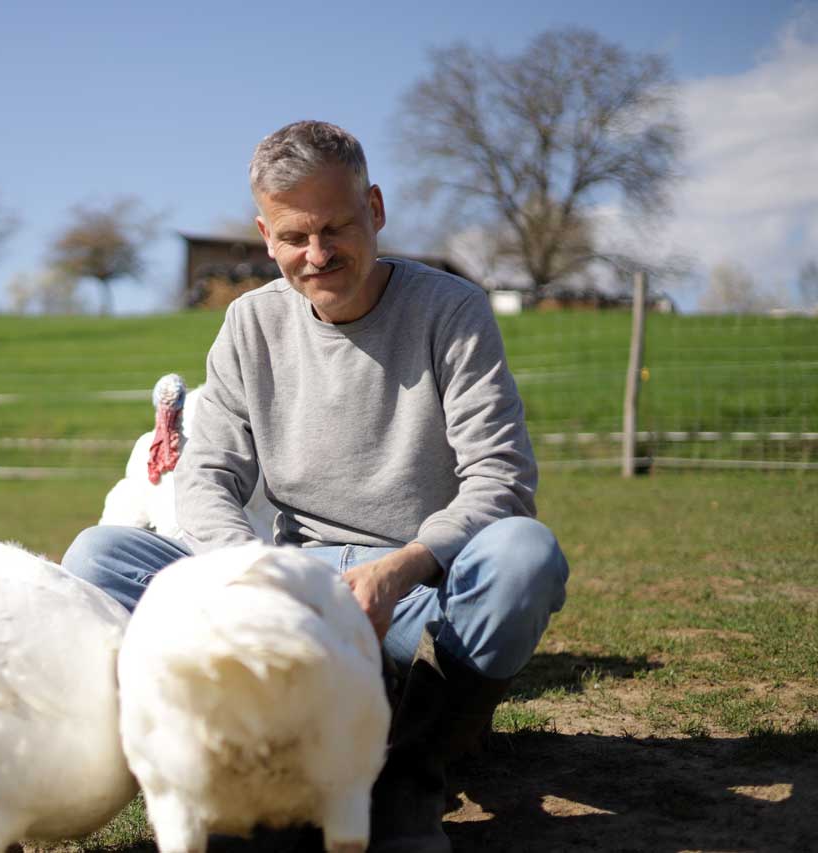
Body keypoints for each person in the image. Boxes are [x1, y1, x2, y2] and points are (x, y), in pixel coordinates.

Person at [63, 120, 569, 853]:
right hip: (291, 573)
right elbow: (207, 473)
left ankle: (422, 753)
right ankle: (229, 739)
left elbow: (502, 477)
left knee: (524, 557)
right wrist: (258, 576)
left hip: (414, 582)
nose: (319, 253)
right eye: (295, 236)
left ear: (376, 208)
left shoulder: (450, 313)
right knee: (96, 557)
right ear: (267, 237)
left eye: (337, 227)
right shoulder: (248, 324)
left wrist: (402, 568)